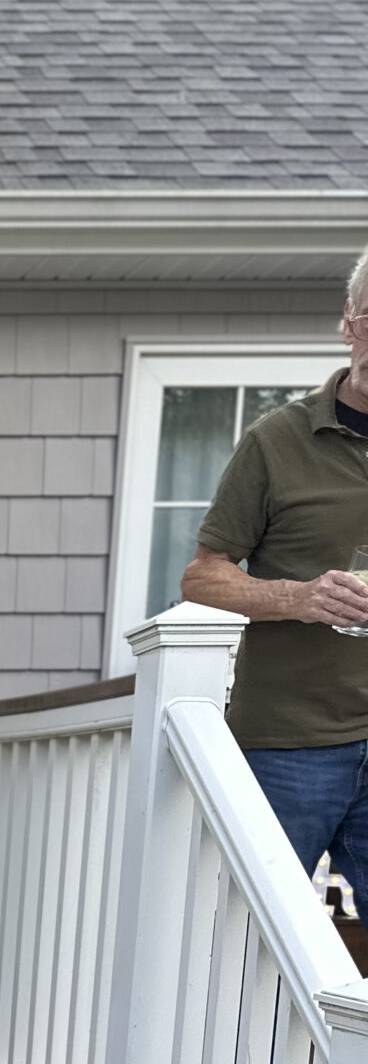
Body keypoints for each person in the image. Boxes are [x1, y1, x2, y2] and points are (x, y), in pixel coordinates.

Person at [180, 245, 368, 900]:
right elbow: (203, 578)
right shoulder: (275, 441)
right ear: (350, 322)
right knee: (247, 939)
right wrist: (300, 596)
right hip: (288, 745)